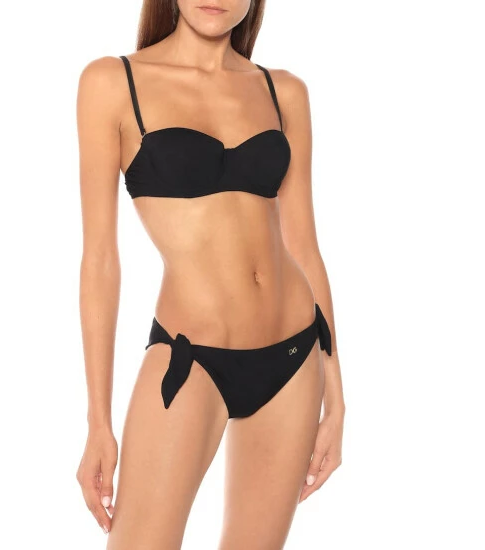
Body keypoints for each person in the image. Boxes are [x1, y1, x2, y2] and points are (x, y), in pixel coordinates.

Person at [75, 0, 345, 548]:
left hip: (294, 358)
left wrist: (336, 397)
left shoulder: (283, 92)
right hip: (189, 356)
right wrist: (98, 421)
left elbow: (305, 246)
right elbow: (100, 260)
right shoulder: (113, 83)